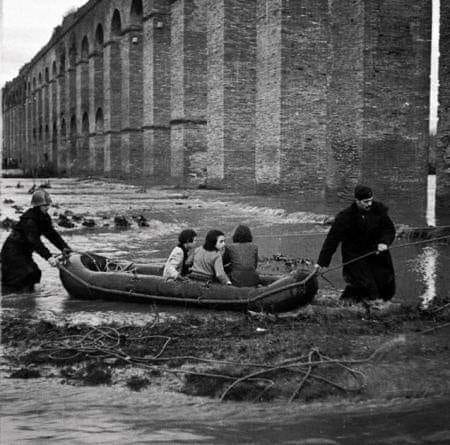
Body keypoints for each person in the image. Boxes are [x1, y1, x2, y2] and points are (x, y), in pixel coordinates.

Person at [315, 185, 396, 303]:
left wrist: (384, 242)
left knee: (385, 283)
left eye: (371, 200)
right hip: (355, 256)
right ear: (357, 201)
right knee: (365, 285)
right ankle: (349, 302)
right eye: (365, 202)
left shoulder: (378, 210)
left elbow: (389, 229)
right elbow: (332, 240)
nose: (369, 204)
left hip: (376, 253)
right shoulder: (345, 217)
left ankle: (371, 303)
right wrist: (321, 263)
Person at [1, 189, 72, 294]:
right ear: (37, 206)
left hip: (24, 252)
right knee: (22, 275)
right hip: (12, 252)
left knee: (35, 273)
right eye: (44, 205)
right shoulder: (29, 220)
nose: (47, 207)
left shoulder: (44, 217)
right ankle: (12, 301)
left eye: (48, 205)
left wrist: (64, 248)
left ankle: (28, 298)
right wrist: (48, 257)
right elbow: (34, 241)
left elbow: (52, 234)